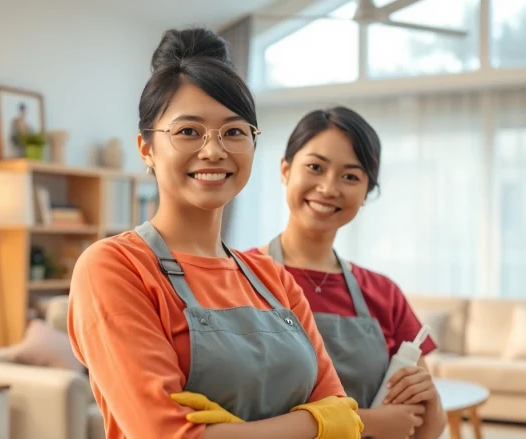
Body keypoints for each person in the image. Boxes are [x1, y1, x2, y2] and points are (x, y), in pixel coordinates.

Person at [66, 28, 364, 439]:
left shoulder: (273, 279)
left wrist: (230, 432)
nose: (213, 150)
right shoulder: (115, 268)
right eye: (189, 131)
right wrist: (317, 422)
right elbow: (165, 436)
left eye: (234, 131)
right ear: (146, 147)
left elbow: (346, 418)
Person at [247, 106, 447, 439]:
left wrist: (429, 399)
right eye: (315, 167)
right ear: (285, 170)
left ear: (367, 193)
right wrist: (369, 421)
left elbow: (426, 429)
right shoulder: (238, 276)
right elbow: (235, 414)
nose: (328, 188)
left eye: (350, 176)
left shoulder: (384, 293)